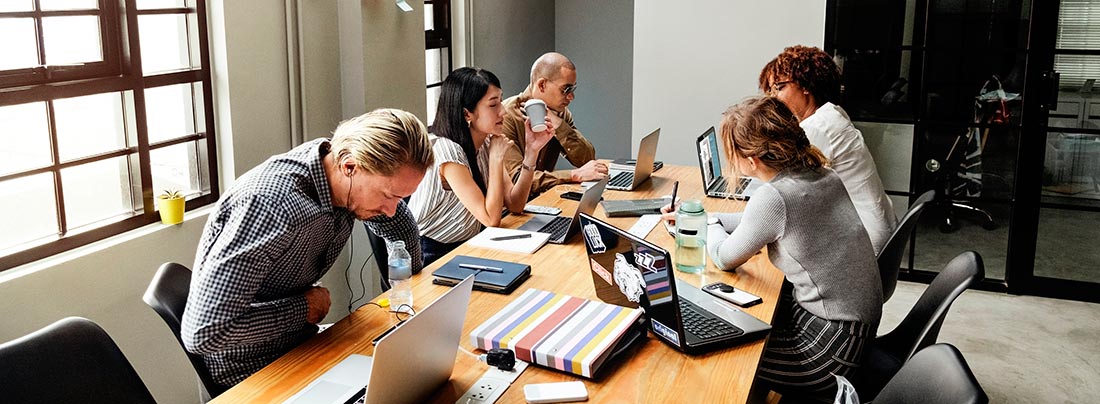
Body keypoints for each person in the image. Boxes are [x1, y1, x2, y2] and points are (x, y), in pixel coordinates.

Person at [181, 109, 434, 388]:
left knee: (416, 376)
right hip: (252, 370)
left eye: (400, 197)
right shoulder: (270, 208)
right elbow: (204, 333)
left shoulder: (335, 168)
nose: (391, 209)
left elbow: (399, 224)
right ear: (350, 167)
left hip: (303, 342)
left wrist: (411, 285)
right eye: (388, 196)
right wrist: (303, 308)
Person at [708, 96, 882, 402]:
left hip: (831, 352)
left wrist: (707, 225)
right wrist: (705, 217)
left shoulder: (774, 198)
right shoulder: (822, 175)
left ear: (751, 160)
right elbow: (757, 222)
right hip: (856, 332)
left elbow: (724, 258)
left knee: (724, 352)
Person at [408, 67, 554, 265]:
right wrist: (496, 160)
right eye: (493, 105)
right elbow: (490, 219)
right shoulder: (448, 152)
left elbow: (515, 204)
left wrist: (531, 152)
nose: (503, 111)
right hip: (432, 253)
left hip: (470, 243)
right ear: (467, 114)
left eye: (501, 100)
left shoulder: (486, 142)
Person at [760, 45, 897, 255]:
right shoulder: (831, 114)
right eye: (770, 90)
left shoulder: (818, 128)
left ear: (806, 85)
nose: (774, 98)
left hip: (865, 241)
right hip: (873, 228)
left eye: (779, 87)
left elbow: (782, 192)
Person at [500, 52, 607, 195]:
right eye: (566, 90)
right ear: (542, 85)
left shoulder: (560, 113)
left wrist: (559, 126)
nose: (571, 97)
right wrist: (572, 175)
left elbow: (587, 159)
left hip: (542, 199)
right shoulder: (506, 116)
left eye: (573, 89)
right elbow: (516, 180)